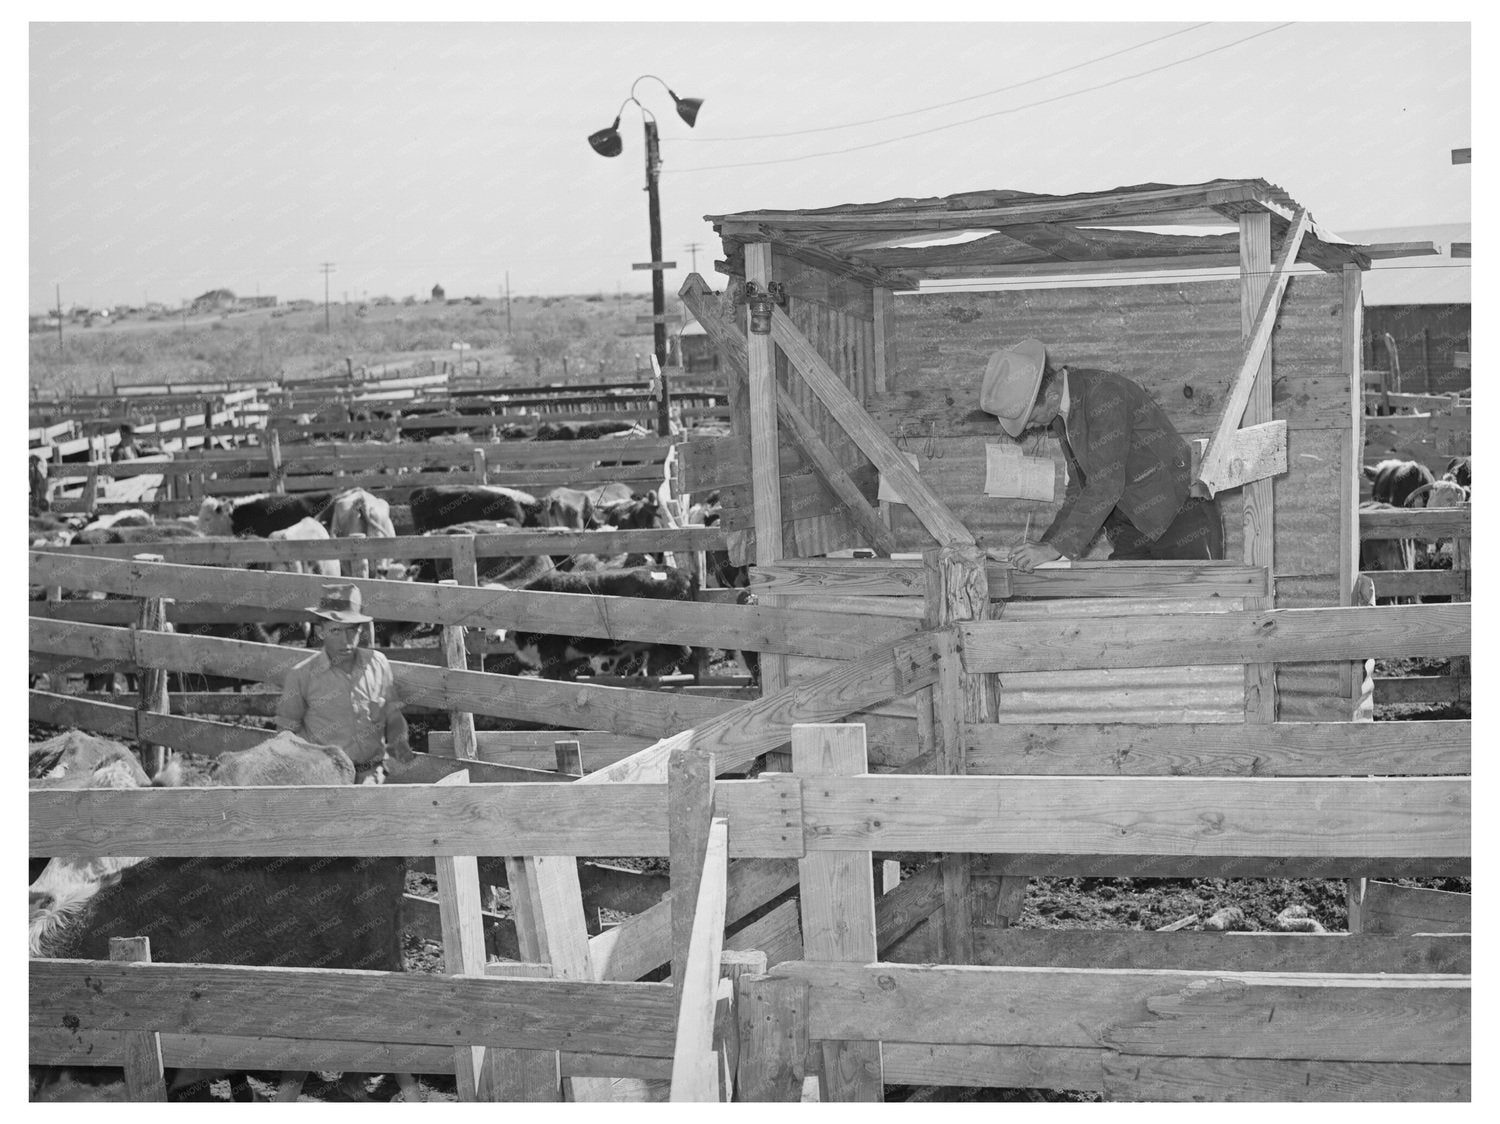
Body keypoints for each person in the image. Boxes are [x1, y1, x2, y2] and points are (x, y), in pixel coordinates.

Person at [981, 338, 1223, 574]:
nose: (1032, 427)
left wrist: (1054, 549)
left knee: (1198, 606)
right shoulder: (1063, 416)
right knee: (1125, 607)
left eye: (1031, 418)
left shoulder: (1104, 395)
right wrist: (1046, 546)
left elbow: (1106, 484)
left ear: (1052, 395)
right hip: (1135, 527)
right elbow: (1081, 487)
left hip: (1180, 520)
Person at [275, 584, 414, 784]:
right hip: (323, 778)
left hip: (371, 774)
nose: (346, 640)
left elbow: (393, 715)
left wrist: (399, 740)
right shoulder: (301, 676)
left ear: (360, 630)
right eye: (336, 631)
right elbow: (285, 736)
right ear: (320, 632)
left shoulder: (378, 664)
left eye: (352, 630)